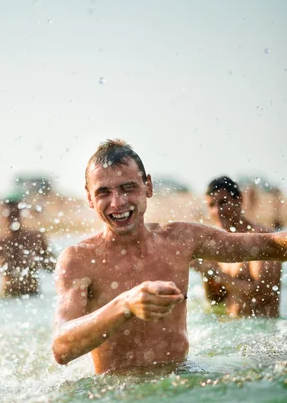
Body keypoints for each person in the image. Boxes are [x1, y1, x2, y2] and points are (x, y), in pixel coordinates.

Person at [52, 139, 287, 375]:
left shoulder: (180, 239)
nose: (118, 202)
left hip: (183, 380)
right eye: (104, 192)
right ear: (90, 198)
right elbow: (61, 347)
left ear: (148, 186)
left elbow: (271, 245)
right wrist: (125, 304)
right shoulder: (79, 259)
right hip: (117, 396)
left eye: (128, 188)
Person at [192, 176, 282, 317]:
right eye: (211, 205)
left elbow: (262, 296)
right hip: (232, 329)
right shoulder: (218, 245)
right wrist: (206, 272)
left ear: (239, 199)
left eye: (223, 202)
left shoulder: (262, 238)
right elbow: (216, 300)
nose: (217, 211)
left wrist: (216, 274)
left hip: (262, 332)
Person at [0, 200, 56, 297]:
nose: (13, 218)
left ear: (21, 214)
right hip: (8, 296)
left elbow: (56, 268)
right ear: (3, 216)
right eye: (9, 214)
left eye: (16, 214)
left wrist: (39, 261)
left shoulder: (36, 238)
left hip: (33, 295)